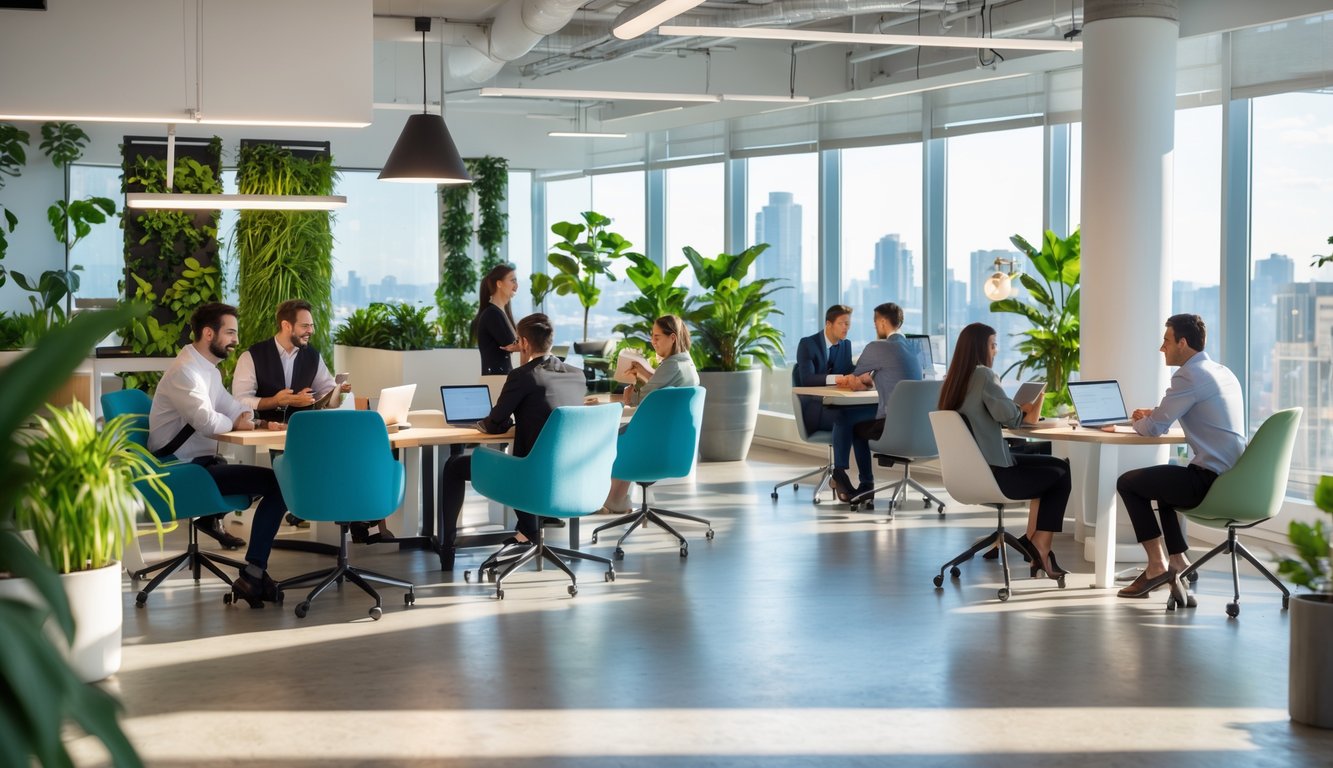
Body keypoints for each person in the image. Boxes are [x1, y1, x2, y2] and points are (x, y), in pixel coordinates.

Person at [148, 302, 289, 608]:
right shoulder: (186, 373)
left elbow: (229, 406)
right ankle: (253, 573)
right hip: (181, 470)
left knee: (275, 483)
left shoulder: (205, 369)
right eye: (230, 332)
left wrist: (260, 421)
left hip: (200, 466)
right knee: (279, 485)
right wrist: (237, 422)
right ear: (208, 333)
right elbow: (208, 422)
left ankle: (252, 572)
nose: (235, 340)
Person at [1114, 313, 1245, 602]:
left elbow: (1152, 430)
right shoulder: (1221, 371)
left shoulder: (1188, 375)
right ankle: (1177, 562)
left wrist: (1138, 420)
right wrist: (1155, 414)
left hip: (1211, 481)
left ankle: (1156, 567)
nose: (1162, 348)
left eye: (1166, 340)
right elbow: (1182, 413)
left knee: (1128, 483)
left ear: (1183, 343)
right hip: (1236, 479)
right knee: (1166, 481)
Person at [439, 313, 585, 564]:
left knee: (454, 466)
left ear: (524, 343)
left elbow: (494, 423)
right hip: (569, 473)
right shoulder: (577, 375)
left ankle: (447, 548)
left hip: (531, 475)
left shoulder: (523, 375)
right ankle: (526, 530)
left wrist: (492, 421)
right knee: (527, 456)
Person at [937, 322, 1070, 580]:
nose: (996, 350)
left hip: (970, 471)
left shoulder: (953, 380)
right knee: (1062, 472)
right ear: (980, 348)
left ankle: (1036, 543)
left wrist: (1017, 409)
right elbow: (1010, 417)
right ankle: (1040, 547)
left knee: (1056, 466)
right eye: (993, 344)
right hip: (994, 474)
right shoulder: (983, 375)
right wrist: (1026, 406)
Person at [232, 298, 351, 531]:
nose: (311, 331)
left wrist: (337, 391)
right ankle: (302, 504)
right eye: (305, 326)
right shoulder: (252, 356)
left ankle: (318, 508)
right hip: (267, 428)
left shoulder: (312, 356)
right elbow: (239, 399)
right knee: (304, 468)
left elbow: (328, 398)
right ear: (287, 326)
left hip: (305, 429)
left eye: (312, 326)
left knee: (341, 455)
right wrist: (277, 400)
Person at [601, 315, 700, 514]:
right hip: (673, 443)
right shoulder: (686, 363)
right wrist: (646, 374)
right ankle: (616, 498)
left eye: (657, 337)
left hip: (653, 445)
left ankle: (613, 497)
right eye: (651, 336)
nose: (652, 341)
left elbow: (641, 400)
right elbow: (663, 390)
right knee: (628, 432)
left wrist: (629, 394)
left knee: (611, 435)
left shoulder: (671, 364)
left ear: (672, 337)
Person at [795, 305, 876, 502]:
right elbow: (806, 378)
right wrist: (839, 379)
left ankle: (867, 483)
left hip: (837, 405)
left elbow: (849, 370)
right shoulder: (808, 344)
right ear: (828, 324)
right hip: (814, 409)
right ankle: (839, 472)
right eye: (842, 323)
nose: (846, 328)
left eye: (848, 324)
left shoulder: (845, 345)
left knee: (858, 422)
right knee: (846, 418)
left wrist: (864, 375)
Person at [847, 301, 924, 446]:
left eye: (875, 321)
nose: (875, 326)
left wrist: (856, 381)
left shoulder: (878, 347)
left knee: (850, 425)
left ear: (883, 322)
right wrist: (871, 383)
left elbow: (852, 379)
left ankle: (863, 470)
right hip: (916, 428)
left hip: (890, 426)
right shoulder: (913, 348)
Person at [474, 264, 520, 375]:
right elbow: (510, 344)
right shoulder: (492, 314)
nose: (516, 285)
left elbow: (514, 344)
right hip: (495, 379)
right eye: (512, 281)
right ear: (499, 283)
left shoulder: (501, 312)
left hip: (502, 376)